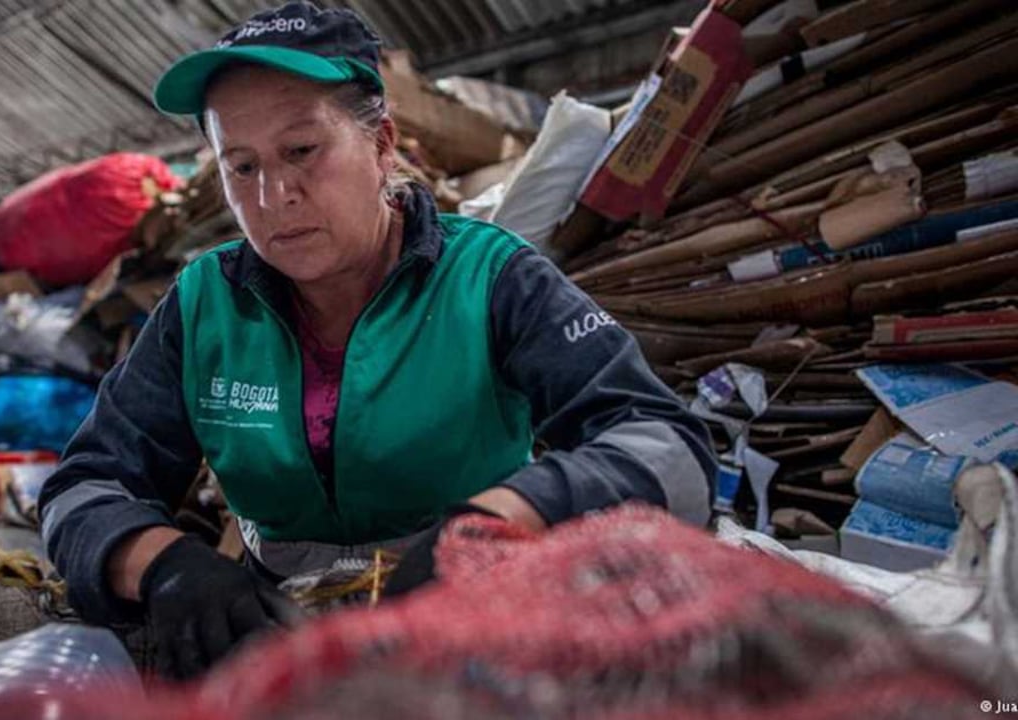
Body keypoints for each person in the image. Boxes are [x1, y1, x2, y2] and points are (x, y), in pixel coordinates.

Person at [38, 1, 717, 680]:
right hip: (279, 640)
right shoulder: (203, 305)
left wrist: (499, 520)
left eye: (303, 150)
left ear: (382, 142)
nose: (274, 195)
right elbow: (84, 484)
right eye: (240, 167)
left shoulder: (488, 277)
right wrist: (162, 564)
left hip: (478, 629)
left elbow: (667, 446)